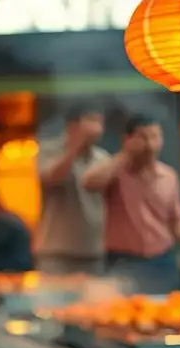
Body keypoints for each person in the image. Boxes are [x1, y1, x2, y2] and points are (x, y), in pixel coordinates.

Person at [81, 114, 180, 294]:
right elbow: (88, 183)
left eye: (155, 137)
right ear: (128, 139)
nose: (149, 145)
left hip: (162, 261)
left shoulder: (169, 176)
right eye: (142, 138)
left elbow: (176, 222)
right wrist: (125, 154)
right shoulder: (115, 174)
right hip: (124, 262)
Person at [35, 105, 109, 275]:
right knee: (54, 301)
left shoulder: (102, 158)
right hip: (55, 253)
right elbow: (52, 177)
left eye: (99, 122)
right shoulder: (48, 150)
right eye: (91, 121)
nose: (97, 128)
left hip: (93, 251)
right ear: (72, 126)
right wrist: (76, 145)